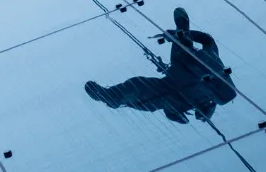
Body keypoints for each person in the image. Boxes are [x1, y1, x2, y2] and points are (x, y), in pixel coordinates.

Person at [85, 8, 236, 123]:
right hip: (178, 91)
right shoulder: (195, 53)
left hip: (181, 94)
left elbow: (206, 40)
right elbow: (205, 40)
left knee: (142, 88)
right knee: (143, 88)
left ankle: (113, 96)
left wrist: (206, 108)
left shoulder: (205, 55)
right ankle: (113, 96)